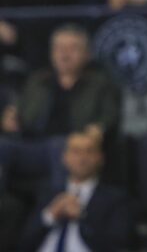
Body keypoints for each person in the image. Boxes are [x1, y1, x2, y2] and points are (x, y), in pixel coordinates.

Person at [0, 24, 119, 187]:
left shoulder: (100, 84)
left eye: (72, 48)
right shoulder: (38, 80)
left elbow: (110, 114)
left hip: (72, 146)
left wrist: (99, 127)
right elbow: (19, 109)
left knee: (59, 145)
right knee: (2, 146)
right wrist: (11, 116)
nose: (65, 54)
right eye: (59, 48)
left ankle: (61, 199)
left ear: (87, 54)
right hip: (32, 145)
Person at [19, 130, 131, 252]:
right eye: (76, 151)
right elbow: (23, 243)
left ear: (100, 158)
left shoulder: (115, 199)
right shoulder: (47, 193)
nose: (82, 158)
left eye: (89, 151)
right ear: (64, 157)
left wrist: (82, 217)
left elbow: (116, 244)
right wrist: (50, 215)